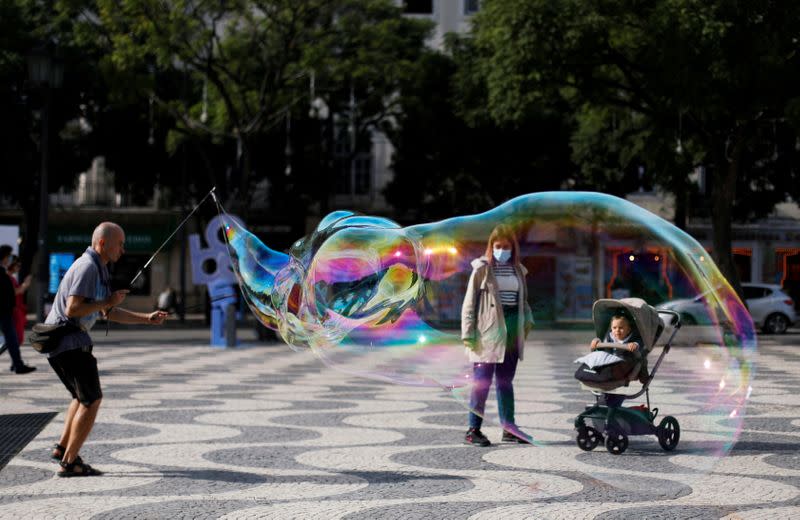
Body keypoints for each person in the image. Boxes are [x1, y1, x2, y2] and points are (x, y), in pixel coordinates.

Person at [43, 222, 168, 477]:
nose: (123, 250)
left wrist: (147, 318)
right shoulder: (88, 267)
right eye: (120, 244)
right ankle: (70, 462)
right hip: (69, 344)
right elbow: (73, 309)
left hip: (66, 344)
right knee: (92, 399)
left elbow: (107, 311)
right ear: (102, 243)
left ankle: (62, 448)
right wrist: (108, 301)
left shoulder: (98, 269)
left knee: (80, 397)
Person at [460, 225, 534, 446]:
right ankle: (473, 430)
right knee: (481, 383)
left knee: (505, 382)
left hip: (511, 331)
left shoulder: (519, 270)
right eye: (498, 246)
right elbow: (469, 303)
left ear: (513, 247)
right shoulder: (482, 268)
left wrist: (528, 323)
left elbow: (524, 301)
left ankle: (509, 428)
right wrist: (468, 334)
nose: (502, 250)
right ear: (491, 247)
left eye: (506, 246)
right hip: (487, 332)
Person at [574, 312, 647, 406]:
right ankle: (589, 374)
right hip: (609, 363)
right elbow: (603, 348)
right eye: (614, 328)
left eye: (621, 328)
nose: (617, 331)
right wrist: (597, 342)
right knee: (596, 360)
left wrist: (635, 345)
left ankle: (644, 377)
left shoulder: (633, 339)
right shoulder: (609, 336)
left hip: (625, 365)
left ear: (628, 330)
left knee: (642, 359)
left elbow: (639, 344)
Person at [0, 245, 36, 373]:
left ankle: (18, 365)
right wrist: (26, 284)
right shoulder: (2, 273)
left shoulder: (3, 273)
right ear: (4, 256)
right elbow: (12, 292)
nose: (9, 258)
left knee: (13, 339)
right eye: (9, 256)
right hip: (4, 312)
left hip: (7, 311)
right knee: (12, 338)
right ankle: (18, 365)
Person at [8, 255, 33, 345]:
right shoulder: (8, 277)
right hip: (13, 311)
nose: (19, 267)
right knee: (15, 338)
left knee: (16, 338)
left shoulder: (12, 278)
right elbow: (14, 292)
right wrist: (25, 284)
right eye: (17, 265)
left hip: (16, 310)